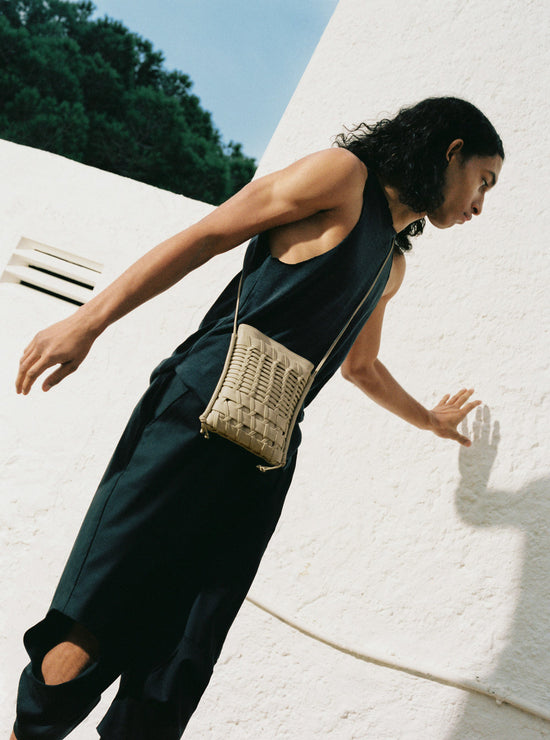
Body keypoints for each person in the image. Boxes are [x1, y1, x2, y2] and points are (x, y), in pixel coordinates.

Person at [10, 96, 504, 739]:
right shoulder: (342, 177)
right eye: (483, 181)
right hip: (197, 408)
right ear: (451, 152)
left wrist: (428, 420)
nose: (479, 206)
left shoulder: (391, 264)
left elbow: (362, 366)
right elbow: (210, 233)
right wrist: (89, 320)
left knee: (184, 649)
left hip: (266, 454)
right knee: (104, 601)